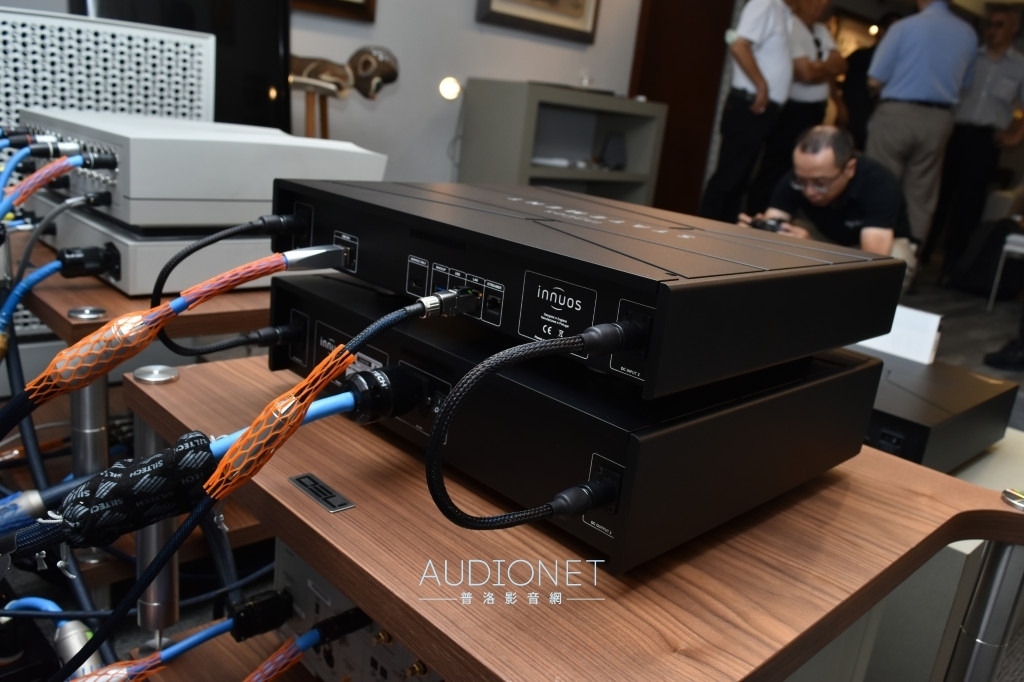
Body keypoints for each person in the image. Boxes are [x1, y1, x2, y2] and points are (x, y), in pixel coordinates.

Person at [865, 0, 977, 249]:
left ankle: (870, 255)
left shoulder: (905, 27)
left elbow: (874, 78)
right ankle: (909, 256)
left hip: (898, 113)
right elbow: (966, 84)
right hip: (939, 119)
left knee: (878, 182)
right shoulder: (968, 34)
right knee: (921, 193)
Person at [925, 4, 1024, 278]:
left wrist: (1014, 136)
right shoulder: (971, 56)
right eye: (989, 25)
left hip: (986, 141)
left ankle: (952, 268)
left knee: (969, 205)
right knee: (939, 197)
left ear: (1013, 28)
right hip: (956, 133)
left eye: (999, 25)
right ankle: (922, 256)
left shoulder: (1019, 66)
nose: (992, 31)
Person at [739, 126, 913, 275]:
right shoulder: (799, 176)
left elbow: (873, 261)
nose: (809, 191)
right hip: (824, 237)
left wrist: (811, 250)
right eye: (802, 181)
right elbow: (774, 220)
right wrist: (755, 233)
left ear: (849, 169)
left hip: (867, 244)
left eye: (820, 183)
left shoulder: (879, 183)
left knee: (895, 262)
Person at [698, 0, 797, 223]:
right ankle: (704, 231)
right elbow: (739, 45)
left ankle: (725, 235)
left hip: (764, 109)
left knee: (741, 180)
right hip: (750, 104)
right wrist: (761, 85)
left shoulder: (784, 12)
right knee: (729, 177)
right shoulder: (764, 3)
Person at [746, 0, 846, 213]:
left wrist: (819, 67)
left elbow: (841, 64)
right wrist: (826, 67)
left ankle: (785, 214)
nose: (821, 5)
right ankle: (760, 212)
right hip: (792, 110)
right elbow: (805, 73)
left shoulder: (821, 30)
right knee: (779, 165)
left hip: (817, 110)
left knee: (806, 169)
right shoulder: (791, 24)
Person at [841, 13, 901, 150]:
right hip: (853, 117)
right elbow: (833, 74)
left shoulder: (898, 64)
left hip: (880, 124)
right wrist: (840, 105)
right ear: (881, 31)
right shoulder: (860, 56)